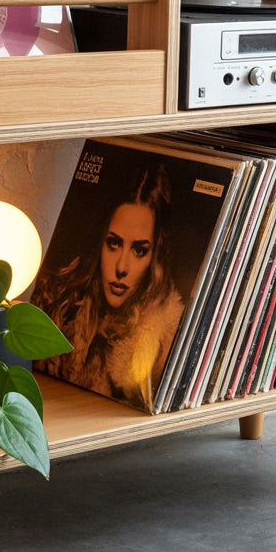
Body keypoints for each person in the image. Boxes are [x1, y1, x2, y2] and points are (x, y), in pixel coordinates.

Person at [33, 162, 185, 411]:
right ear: (99, 242)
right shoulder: (56, 308)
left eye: (139, 250)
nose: (121, 267)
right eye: (114, 243)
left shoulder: (162, 344)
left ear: (155, 258)